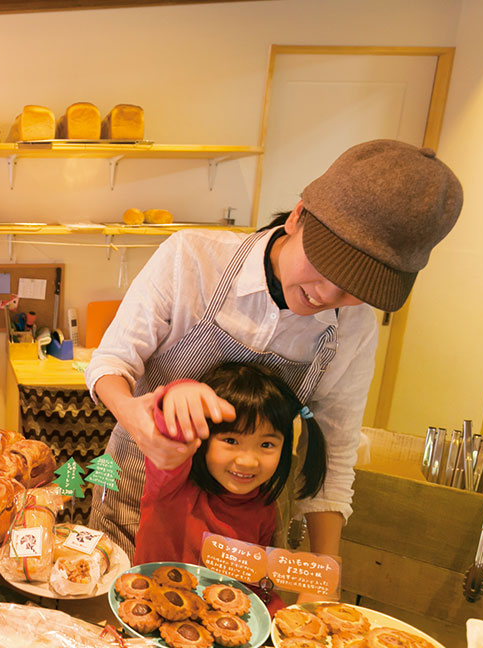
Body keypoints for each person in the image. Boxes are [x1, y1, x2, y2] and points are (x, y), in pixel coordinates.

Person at [87, 139, 463, 558]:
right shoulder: (192, 259)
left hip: (240, 539)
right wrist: (133, 417)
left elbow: (335, 454)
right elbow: (111, 362)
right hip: (131, 505)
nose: (327, 294)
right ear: (298, 216)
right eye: (326, 265)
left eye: (356, 288)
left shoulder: (353, 328)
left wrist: (324, 569)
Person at [135, 363, 326, 606]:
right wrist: (180, 392)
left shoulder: (264, 505)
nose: (247, 461)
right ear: (203, 435)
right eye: (231, 440)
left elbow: (251, 585)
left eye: (266, 445)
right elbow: (170, 432)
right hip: (149, 614)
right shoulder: (172, 487)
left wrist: (275, 612)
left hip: (224, 630)